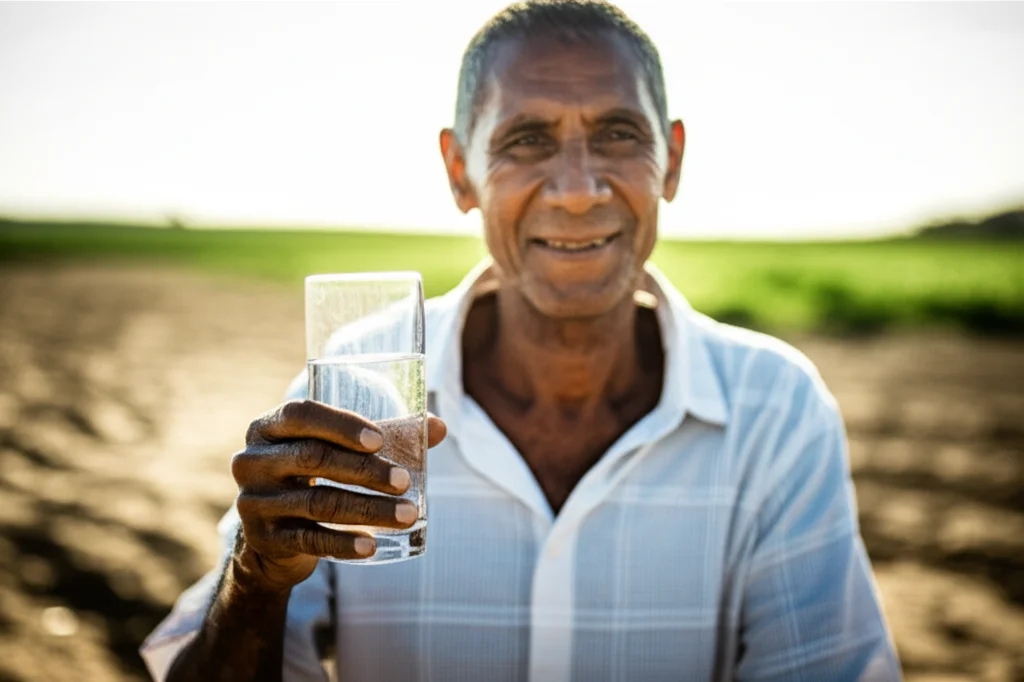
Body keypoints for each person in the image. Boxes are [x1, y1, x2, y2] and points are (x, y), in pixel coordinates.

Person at [141, 1, 902, 680]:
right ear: (459, 171)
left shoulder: (777, 409)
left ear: (671, 159)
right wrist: (257, 577)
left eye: (617, 133)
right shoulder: (356, 385)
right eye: (527, 139)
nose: (577, 190)